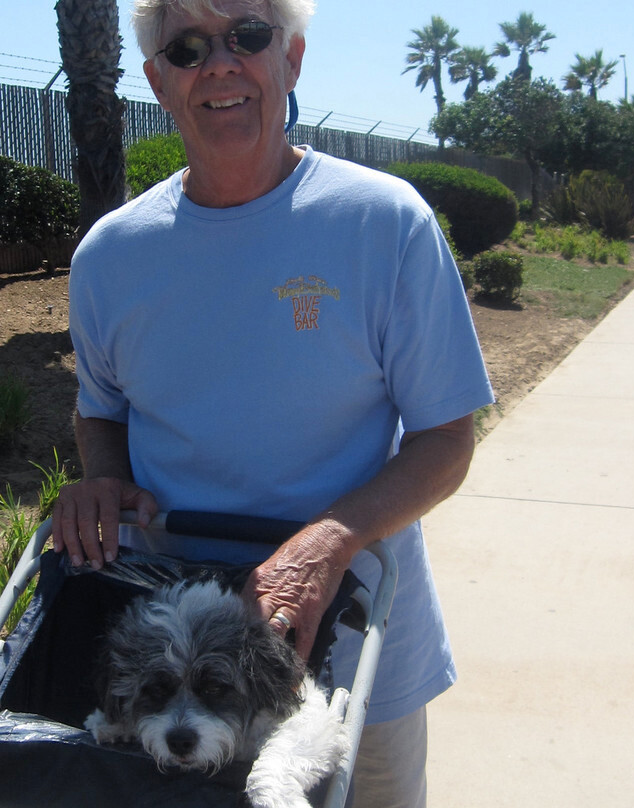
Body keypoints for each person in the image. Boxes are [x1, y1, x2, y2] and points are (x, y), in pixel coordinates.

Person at [51, 1, 494, 805]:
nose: (220, 64)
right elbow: (101, 410)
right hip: (168, 669)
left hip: (356, 654)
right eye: (187, 48)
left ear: (290, 59)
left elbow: (446, 438)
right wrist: (102, 479)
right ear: (159, 81)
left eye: (248, 35)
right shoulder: (109, 256)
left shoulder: (387, 224)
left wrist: (325, 544)